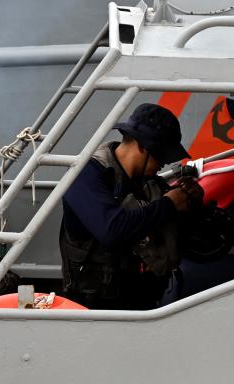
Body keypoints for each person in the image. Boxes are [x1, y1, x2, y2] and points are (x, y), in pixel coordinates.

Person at [59, 103, 203, 310]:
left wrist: (191, 202)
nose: (164, 164)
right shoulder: (85, 175)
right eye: (162, 156)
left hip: (144, 302)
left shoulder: (149, 183)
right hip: (95, 308)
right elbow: (111, 230)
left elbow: (180, 234)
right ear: (142, 146)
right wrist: (170, 204)